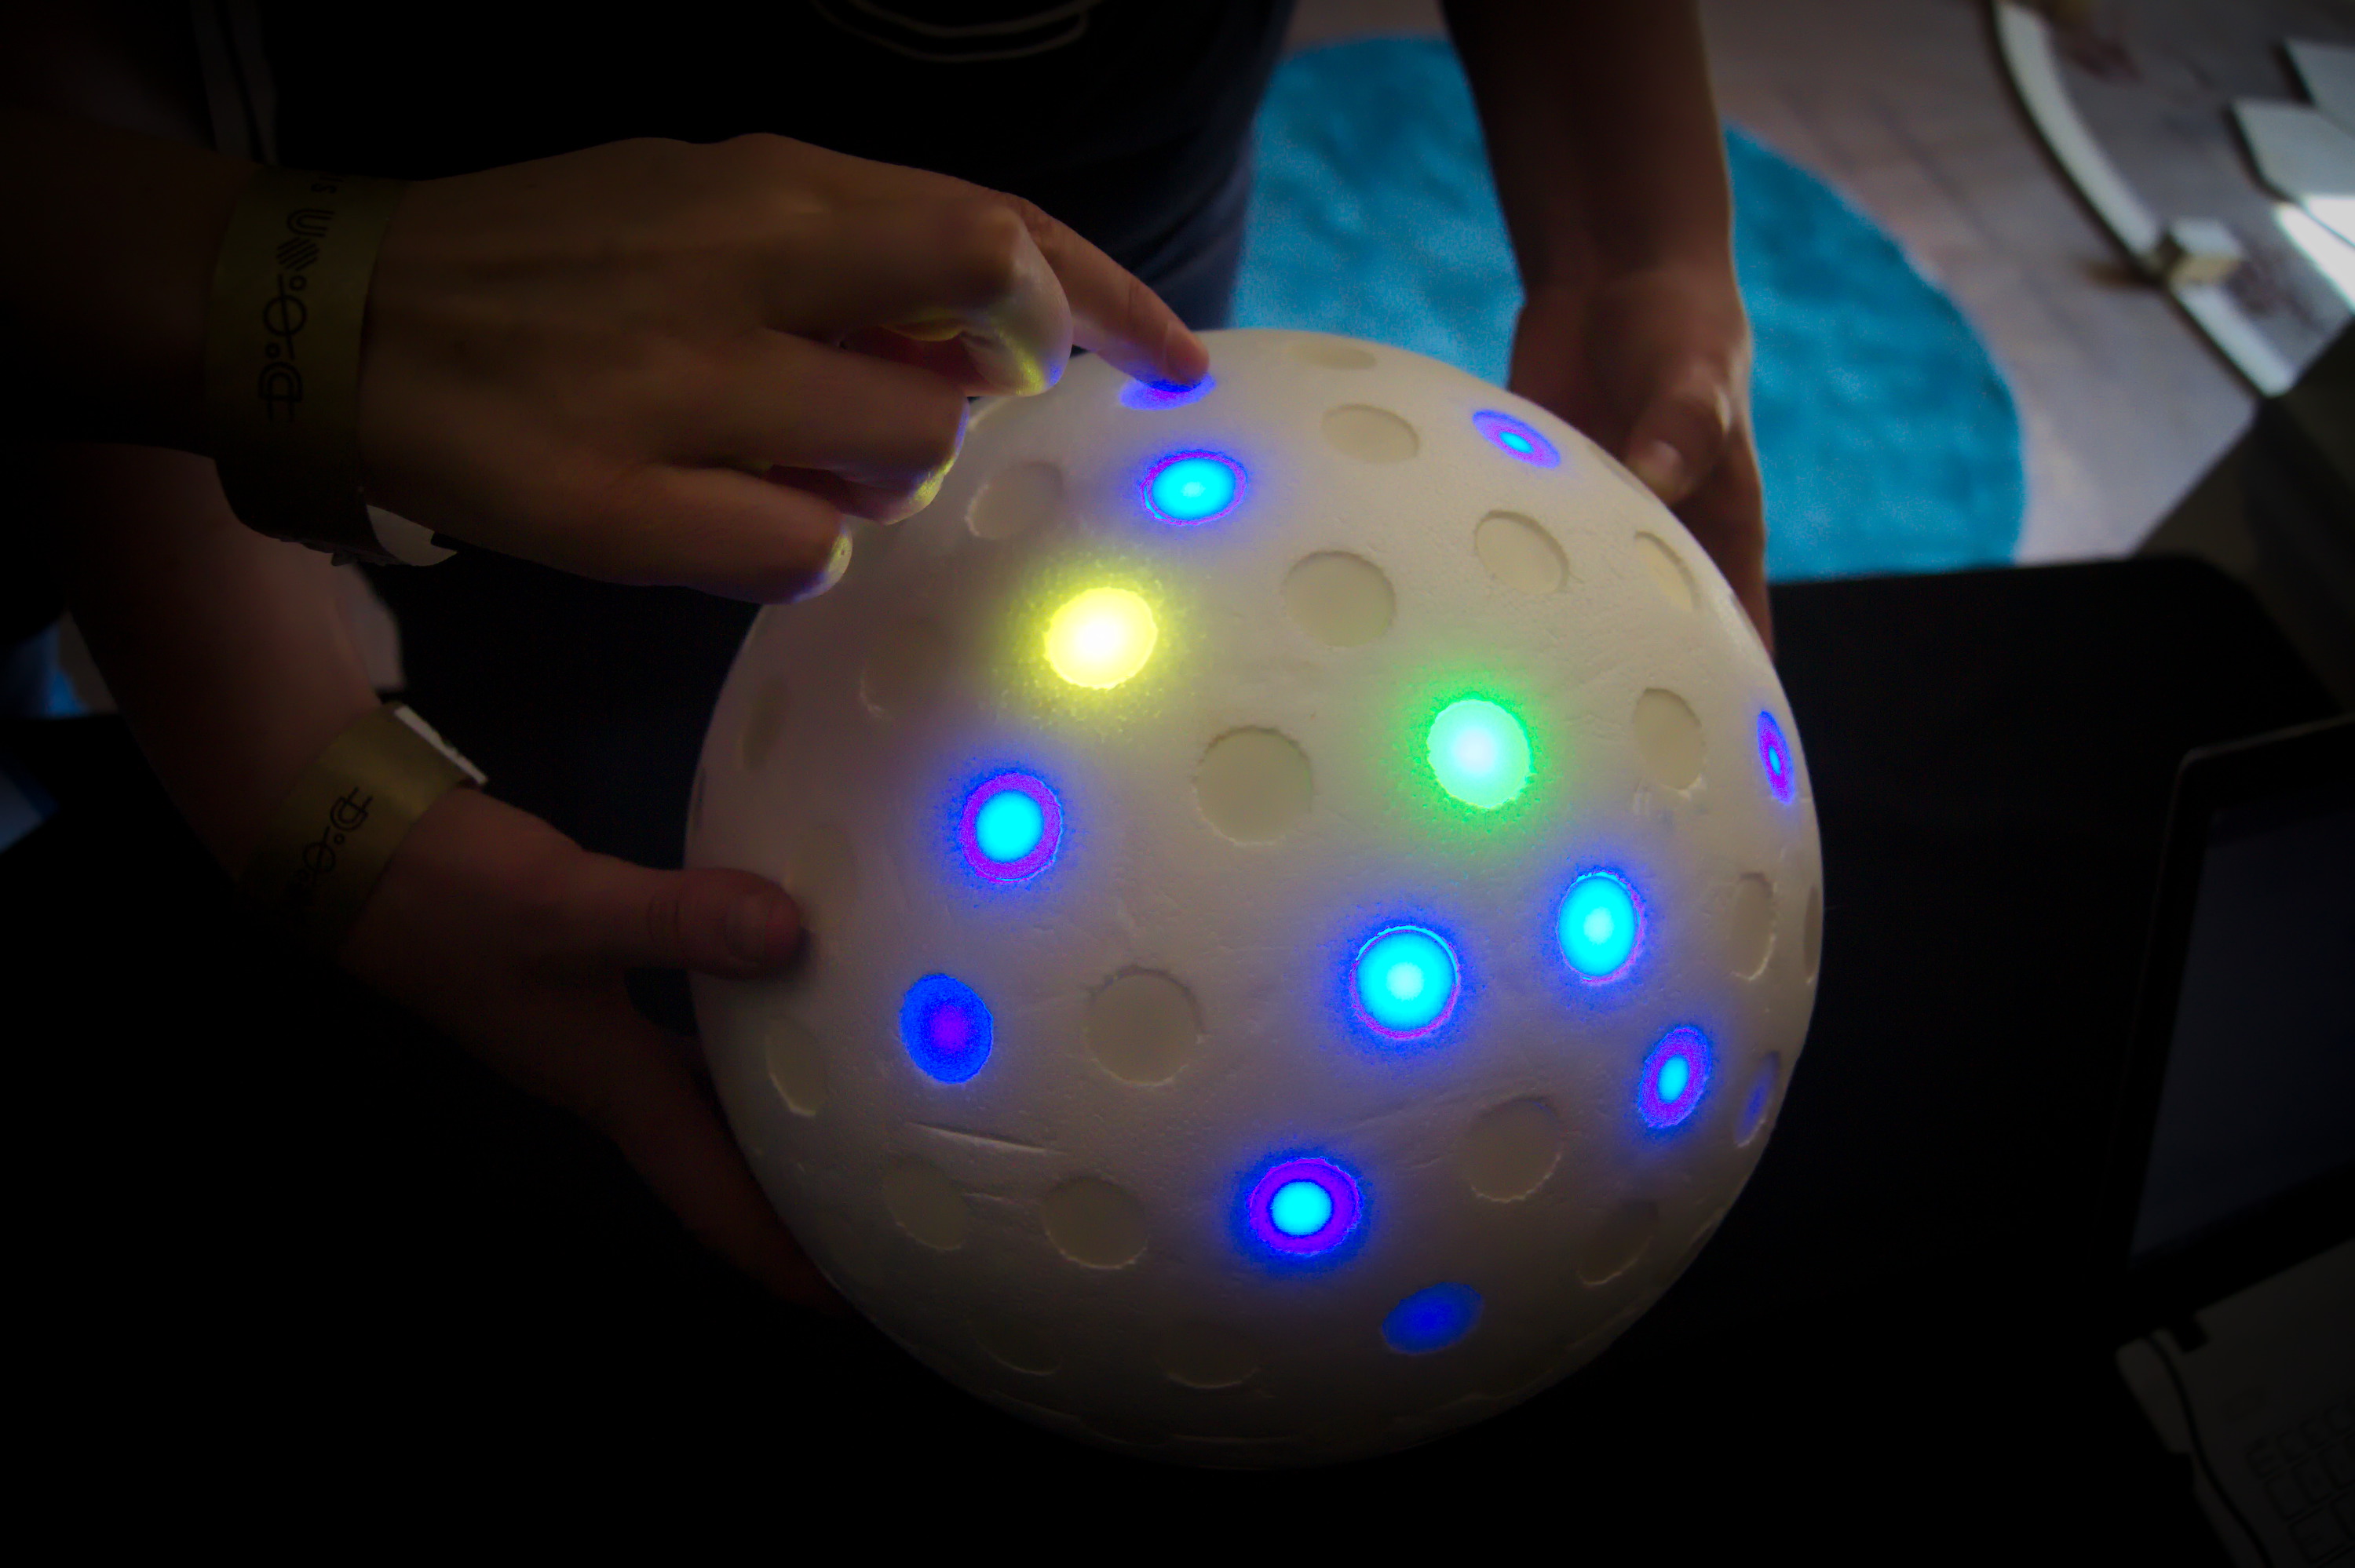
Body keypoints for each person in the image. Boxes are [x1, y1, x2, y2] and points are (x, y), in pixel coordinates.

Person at [9, 0, 1767, 1316]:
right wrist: (305, 343)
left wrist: (1639, 243)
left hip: (1121, 326)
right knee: (620, 786)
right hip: (491, 368)